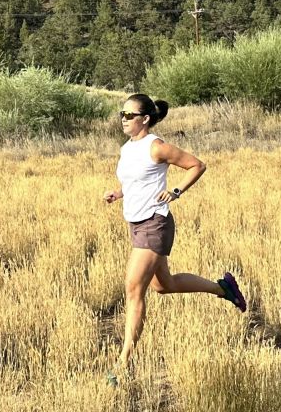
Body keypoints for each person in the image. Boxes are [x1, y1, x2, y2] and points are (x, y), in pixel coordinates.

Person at [103, 93, 246, 384]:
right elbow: (133, 179)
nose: (123, 119)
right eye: (122, 114)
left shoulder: (157, 147)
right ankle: (224, 289)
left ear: (144, 119)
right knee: (163, 286)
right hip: (136, 222)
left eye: (129, 115)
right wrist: (118, 193)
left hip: (156, 225)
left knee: (133, 289)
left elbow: (197, 165)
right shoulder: (128, 148)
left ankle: (122, 364)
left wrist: (176, 191)